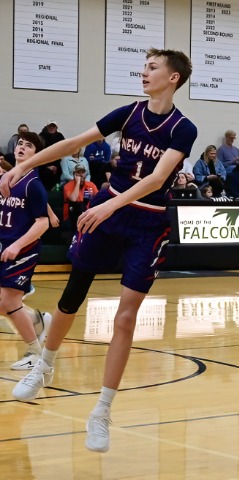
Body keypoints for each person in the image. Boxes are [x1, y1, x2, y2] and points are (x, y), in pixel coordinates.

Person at [6, 48, 197, 454]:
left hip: (147, 222)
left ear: (173, 78)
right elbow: (75, 142)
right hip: (110, 210)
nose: (143, 72)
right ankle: (44, 366)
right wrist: (24, 165)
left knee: (125, 318)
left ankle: (102, 412)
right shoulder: (128, 113)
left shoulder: (183, 128)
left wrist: (110, 205)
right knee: (73, 293)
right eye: (144, 66)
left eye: (152, 67)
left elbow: (158, 178)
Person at [0, 132, 52, 371]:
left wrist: (17, 245)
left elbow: (43, 223)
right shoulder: (7, 180)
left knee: (10, 301)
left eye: (28, 145)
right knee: (5, 305)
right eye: (20, 143)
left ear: (37, 154)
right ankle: (38, 320)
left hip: (22, 249)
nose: (22, 147)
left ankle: (35, 353)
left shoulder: (33, 184)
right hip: (4, 246)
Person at [63, 164, 99, 229]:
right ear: (74, 174)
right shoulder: (68, 186)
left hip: (87, 213)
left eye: (83, 172)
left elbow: (98, 199)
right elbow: (73, 199)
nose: (81, 174)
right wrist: (78, 182)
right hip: (72, 216)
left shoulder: (91, 185)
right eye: (78, 172)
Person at [38, 121, 65, 190]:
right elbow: (39, 152)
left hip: (57, 162)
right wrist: (48, 166)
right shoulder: (41, 136)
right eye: (50, 126)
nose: (52, 128)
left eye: (53, 126)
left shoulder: (60, 136)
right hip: (43, 163)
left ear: (56, 128)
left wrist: (55, 165)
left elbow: (63, 149)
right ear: (47, 127)